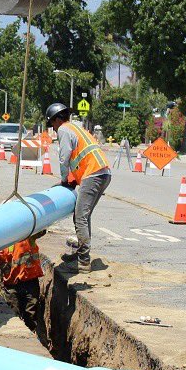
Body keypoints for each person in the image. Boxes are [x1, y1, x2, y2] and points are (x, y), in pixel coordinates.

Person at [46, 102, 111, 273]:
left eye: (52, 123)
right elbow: (80, 157)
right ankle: (81, 255)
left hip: (93, 174)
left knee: (80, 216)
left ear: (58, 119)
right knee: (83, 215)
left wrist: (63, 179)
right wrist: (73, 179)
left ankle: (83, 261)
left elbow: (64, 158)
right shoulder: (76, 127)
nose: (53, 128)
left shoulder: (64, 130)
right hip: (102, 172)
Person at [0, 231, 49, 348]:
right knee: (14, 315)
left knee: (31, 314)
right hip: (11, 286)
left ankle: (31, 337)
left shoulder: (27, 235)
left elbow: (42, 230)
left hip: (30, 282)